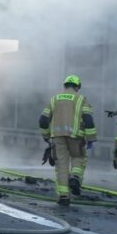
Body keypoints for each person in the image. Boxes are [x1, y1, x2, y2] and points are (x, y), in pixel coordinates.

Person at [39, 74, 97, 205]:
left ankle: (64, 197)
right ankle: (75, 177)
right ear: (77, 87)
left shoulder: (54, 99)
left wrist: (46, 135)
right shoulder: (81, 99)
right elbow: (88, 119)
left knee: (62, 166)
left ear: (65, 85)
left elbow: (43, 120)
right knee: (78, 158)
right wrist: (91, 138)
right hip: (76, 136)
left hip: (57, 137)